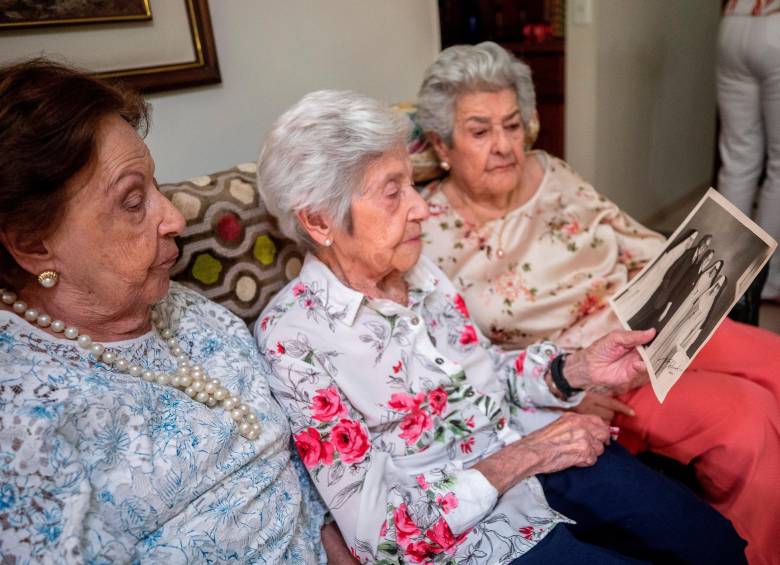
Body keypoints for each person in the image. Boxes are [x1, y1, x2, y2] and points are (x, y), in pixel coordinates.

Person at [254, 89, 746, 564]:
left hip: (537, 452)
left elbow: (484, 371)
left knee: (716, 546)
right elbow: (376, 533)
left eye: (410, 183)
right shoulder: (293, 339)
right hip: (471, 536)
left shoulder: (416, 270)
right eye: (392, 192)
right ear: (319, 221)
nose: (420, 207)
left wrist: (573, 369)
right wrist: (525, 457)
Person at [417, 41, 780, 563]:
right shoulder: (425, 234)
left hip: (655, 322)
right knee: (746, 422)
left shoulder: (551, 172)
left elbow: (638, 242)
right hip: (591, 376)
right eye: (480, 131)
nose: (503, 146)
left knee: (772, 358)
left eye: (513, 125)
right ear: (441, 144)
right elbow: (461, 367)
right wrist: (563, 390)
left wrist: (705, 271)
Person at [0, 59, 355, 564]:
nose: (175, 216)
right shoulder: (20, 413)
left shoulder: (180, 306)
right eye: (131, 201)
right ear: (35, 244)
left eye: (155, 185)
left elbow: (299, 464)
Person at [717, 0, 780, 301]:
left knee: (737, 158)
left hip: (734, 21)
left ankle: (724, 275)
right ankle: (765, 281)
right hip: (775, 24)